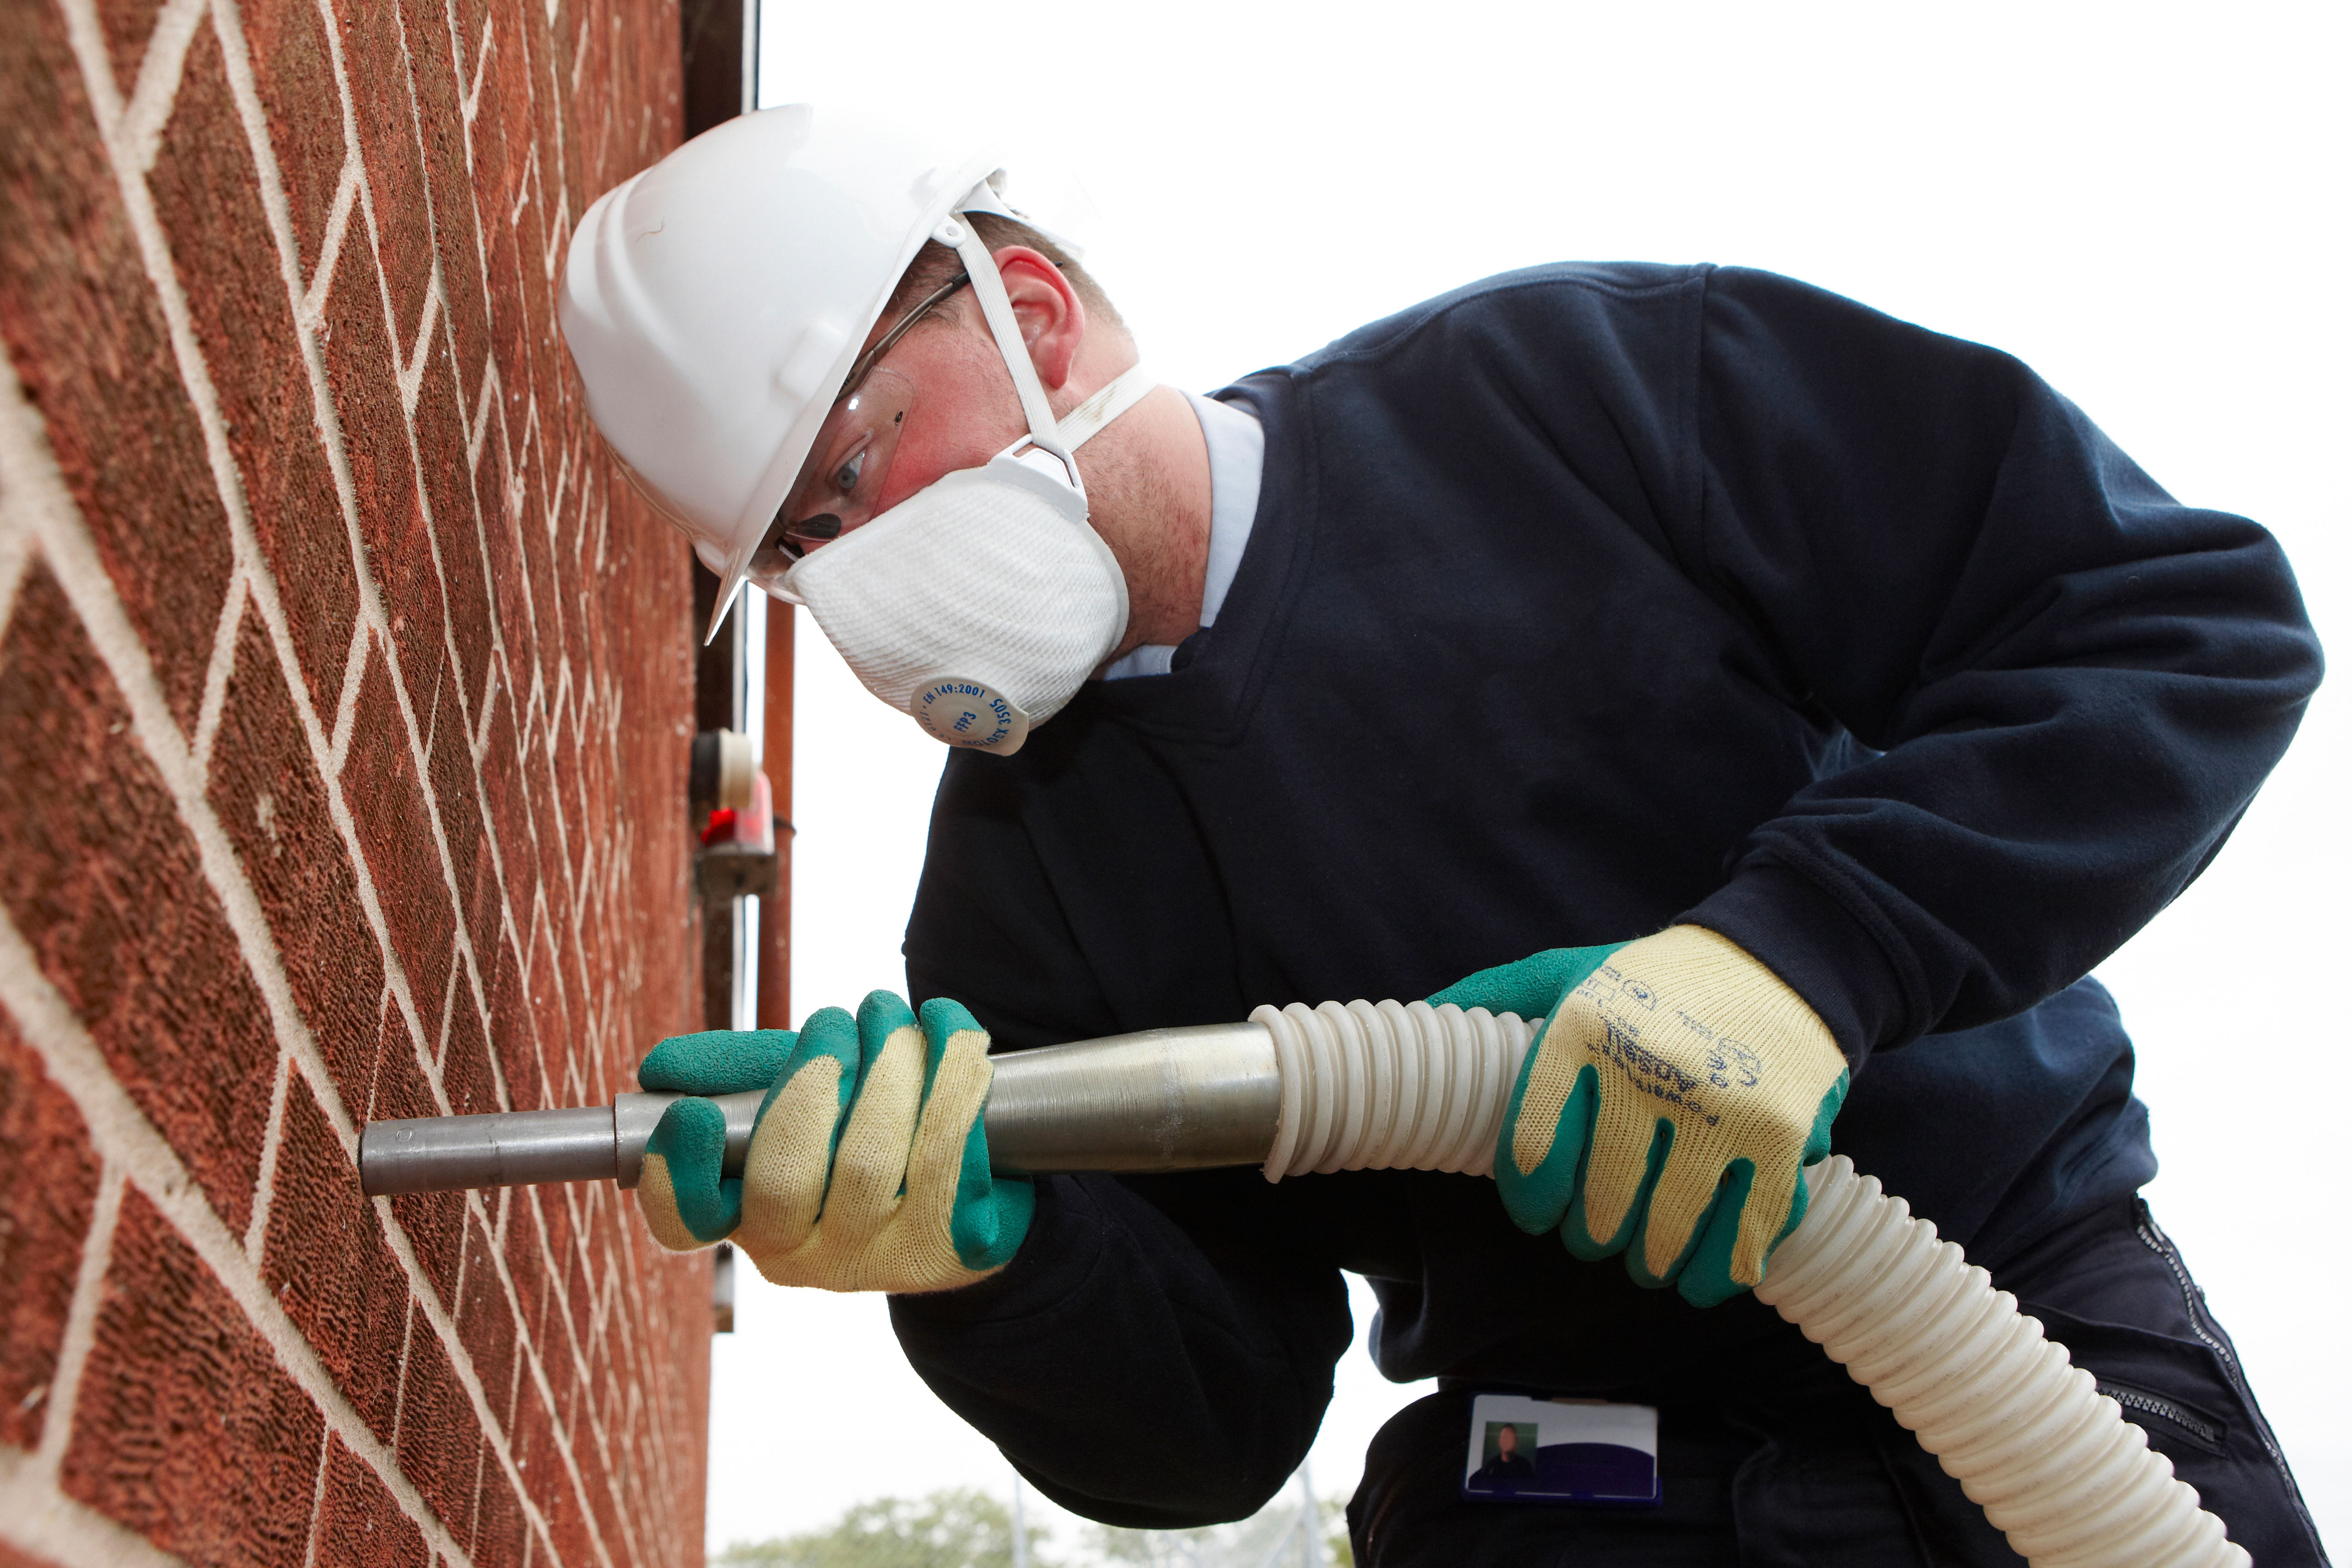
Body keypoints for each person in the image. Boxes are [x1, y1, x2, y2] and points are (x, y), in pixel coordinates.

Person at [559, 105, 2330, 1565]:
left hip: (2022, 1322)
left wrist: (1804, 953)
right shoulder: (1023, 896)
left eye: (851, 476)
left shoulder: (1581, 394)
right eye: (792, 557)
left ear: (1025, 313)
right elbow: (1219, 1418)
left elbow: (2176, 624)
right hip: (1573, 1473)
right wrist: (983, 1262)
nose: (849, 585)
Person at [1471, 1425, 1536, 1490]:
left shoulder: (1525, 1466)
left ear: (1516, 1441)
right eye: (1504, 1437)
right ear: (1500, 1441)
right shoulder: (1491, 1466)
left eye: (1510, 1438)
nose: (1507, 1441)